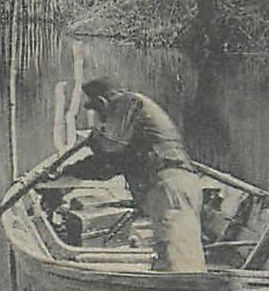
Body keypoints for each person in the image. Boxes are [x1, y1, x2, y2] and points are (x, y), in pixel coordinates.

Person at [60, 79, 208, 273]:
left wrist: (95, 137)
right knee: (174, 252)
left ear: (103, 102)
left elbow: (110, 146)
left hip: (169, 187)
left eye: (97, 110)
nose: (100, 116)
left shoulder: (127, 102)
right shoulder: (129, 125)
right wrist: (71, 171)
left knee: (180, 263)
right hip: (173, 187)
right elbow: (108, 166)